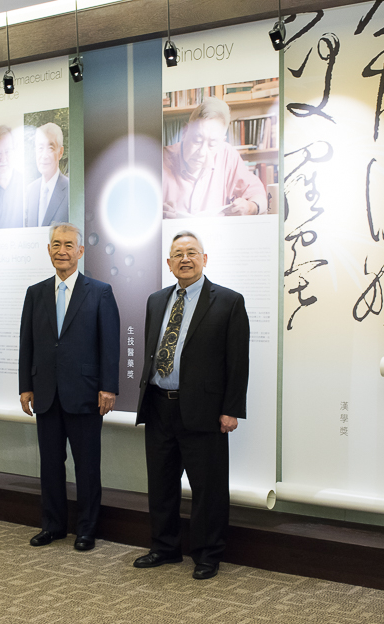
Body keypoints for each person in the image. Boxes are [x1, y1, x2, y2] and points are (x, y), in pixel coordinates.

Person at [133, 231, 249, 580]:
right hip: (158, 405)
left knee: (208, 487)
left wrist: (231, 409)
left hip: (204, 410)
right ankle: (165, 548)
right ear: (169, 263)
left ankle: (207, 554)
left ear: (204, 259)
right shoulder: (156, 300)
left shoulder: (228, 301)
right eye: (178, 254)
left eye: (192, 253)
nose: (185, 259)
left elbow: (237, 361)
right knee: (161, 483)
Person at [18, 223, 120, 551]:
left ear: (81, 251)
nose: (62, 250)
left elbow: (111, 344)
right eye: (56, 244)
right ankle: (53, 525)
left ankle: (87, 529)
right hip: (46, 393)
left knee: (87, 466)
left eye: (69, 245)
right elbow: (27, 344)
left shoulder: (100, 291)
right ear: (49, 249)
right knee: (50, 464)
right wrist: (25, 386)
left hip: (87, 394)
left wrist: (108, 387)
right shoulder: (35, 293)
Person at [162, 98, 267, 219]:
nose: (201, 152)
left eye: (212, 144)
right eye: (197, 140)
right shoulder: (160, 158)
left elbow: (259, 195)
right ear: (185, 132)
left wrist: (250, 207)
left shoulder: (228, 155)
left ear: (221, 142)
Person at [24, 123, 70, 227]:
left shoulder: (70, 190)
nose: (44, 155)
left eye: (50, 148)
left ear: (60, 152)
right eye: (40, 148)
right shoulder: (30, 190)